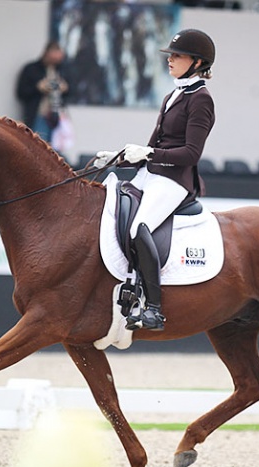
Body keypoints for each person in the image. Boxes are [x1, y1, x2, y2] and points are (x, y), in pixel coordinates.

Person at [94, 29, 216, 331]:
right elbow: (154, 143)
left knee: (139, 228)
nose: (170, 60)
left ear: (198, 62)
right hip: (152, 174)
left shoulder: (201, 100)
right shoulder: (172, 95)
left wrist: (148, 153)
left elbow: (191, 153)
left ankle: (154, 307)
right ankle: (128, 285)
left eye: (177, 56)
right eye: (170, 55)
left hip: (175, 180)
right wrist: (119, 157)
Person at [16, 41, 69, 144]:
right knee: (39, 144)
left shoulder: (61, 71)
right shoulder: (32, 69)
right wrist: (38, 88)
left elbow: (70, 91)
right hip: (38, 114)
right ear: (47, 53)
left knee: (57, 147)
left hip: (58, 115)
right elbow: (21, 92)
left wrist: (64, 88)